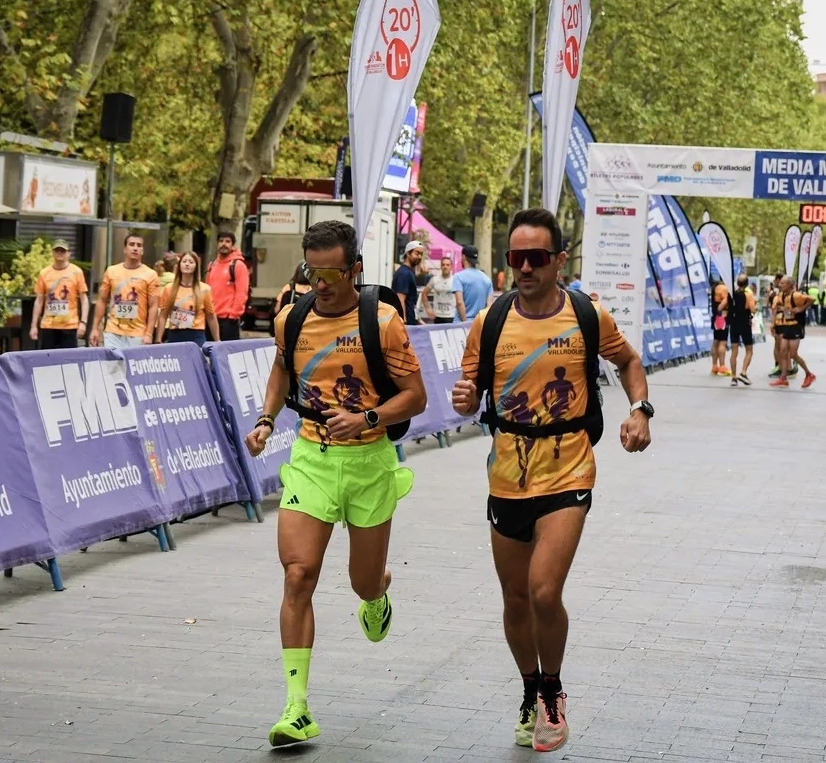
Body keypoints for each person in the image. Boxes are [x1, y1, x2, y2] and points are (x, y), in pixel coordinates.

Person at [451, 208, 653, 753]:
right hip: (507, 472)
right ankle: (529, 689)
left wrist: (641, 410)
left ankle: (553, 691)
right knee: (515, 597)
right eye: (515, 258)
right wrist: (465, 398)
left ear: (559, 261)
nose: (523, 268)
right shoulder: (489, 322)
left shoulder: (587, 316)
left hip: (569, 466)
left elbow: (630, 363)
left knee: (543, 589)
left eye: (535, 258)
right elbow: (468, 390)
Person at [242, 220, 427, 749]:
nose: (320, 282)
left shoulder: (384, 322)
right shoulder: (291, 320)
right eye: (311, 271)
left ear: (354, 269)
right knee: (298, 574)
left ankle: (378, 593)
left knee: (362, 583)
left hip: (369, 462)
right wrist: (265, 419)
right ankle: (296, 708)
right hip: (311, 459)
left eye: (331, 272)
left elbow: (415, 397)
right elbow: (282, 370)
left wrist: (369, 420)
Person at [89, 232, 160, 349]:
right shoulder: (111, 271)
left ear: (142, 250)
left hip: (138, 334)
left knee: (133, 367)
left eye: (139, 245)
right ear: (125, 249)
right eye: (132, 244)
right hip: (113, 332)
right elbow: (101, 300)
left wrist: (149, 334)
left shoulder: (151, 274)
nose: (135, 248)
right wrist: (95, 328)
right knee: (112, 367)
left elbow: (153, 306)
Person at [30, 239, 89, 350]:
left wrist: (83, 322)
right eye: (57, 251)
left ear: (69, 253)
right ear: (52, 253)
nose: (60, 253)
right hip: (48, 325)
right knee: (47, 360)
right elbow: (39, 300)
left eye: (63, 251)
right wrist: (33, 326)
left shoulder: (76, 272)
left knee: (68, 361)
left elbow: (84, 299)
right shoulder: (44, 273)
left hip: (69, 325)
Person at [155, 250, 219, 346]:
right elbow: (163, 315)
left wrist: (217, 341)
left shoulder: (204, 289)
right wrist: (158, 339)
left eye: (191, 262)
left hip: (196, 336)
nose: (187, 264)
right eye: (184, 261)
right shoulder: (169, 289)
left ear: (196, 266)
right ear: (179, 265)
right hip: (175, 335)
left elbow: (211, 317)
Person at [770, 276, 816, 388]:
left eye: (783, 283)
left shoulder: (796, 295)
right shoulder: (781, 295)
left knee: (793, 354)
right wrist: (775, 323)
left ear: (790, 285)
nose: (780, 285)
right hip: (786, 325)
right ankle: (783, 378)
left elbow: (812, 299)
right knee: (783, 351)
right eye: (780, 283)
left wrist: (801, 309)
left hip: (795, 326)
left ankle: (809, 374)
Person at [206, 230, 250, 341]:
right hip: (211, 318)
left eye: (227, 241)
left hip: (228, 320)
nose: (224, 244)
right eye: (221, 241)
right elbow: (206, 291)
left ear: (232, 245)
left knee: (227, 355)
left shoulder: (238, 265)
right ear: (217, 244)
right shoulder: (212, 265)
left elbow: (242, 293)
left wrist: (233, 315)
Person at [727, 273, 757, 386]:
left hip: (734, 324)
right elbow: (753, 310)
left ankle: (733, 378)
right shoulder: (748, 295)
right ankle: (743, 373)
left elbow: (721, 307)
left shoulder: (731, 294)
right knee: (749, 350)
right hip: (745, 324)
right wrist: (755, 307)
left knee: (734, 352)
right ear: (747, 283)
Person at [453, 244, 493, 320]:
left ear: (464, 257)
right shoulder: (487, 279)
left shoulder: (458, 277)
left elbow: (459, 302)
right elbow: (489, 306)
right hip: (479, 323)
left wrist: (465, 323)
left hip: (461, 324)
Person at [422, 256, 465, 323]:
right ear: (440, 266)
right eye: (443, 265)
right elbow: (424, 293)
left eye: (447, 265)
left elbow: (462, 298)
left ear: (451, 266)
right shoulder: (434, 279)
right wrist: (428, 309)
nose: (445, 267)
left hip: (451, 316)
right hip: (437, 316)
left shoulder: (455, 280)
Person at [391, 240, 424, 325]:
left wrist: (419, 320)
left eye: (421, 254)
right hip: (406, 324)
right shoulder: (404, 274)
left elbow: (411, 302)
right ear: (408, 254)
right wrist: (403, 322)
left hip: (412, 321)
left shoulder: (409, 272)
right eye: (417, 253)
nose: (419, 257)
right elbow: (400, 299)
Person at [710, 278, 730, 376]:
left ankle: (714, 366)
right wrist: (721, 309)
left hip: (715, 317)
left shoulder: (715, 288)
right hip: (722, 317)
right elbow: (726, 300)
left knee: (716, 341)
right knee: (723, 342)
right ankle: (722, 366)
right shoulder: (724, 288)